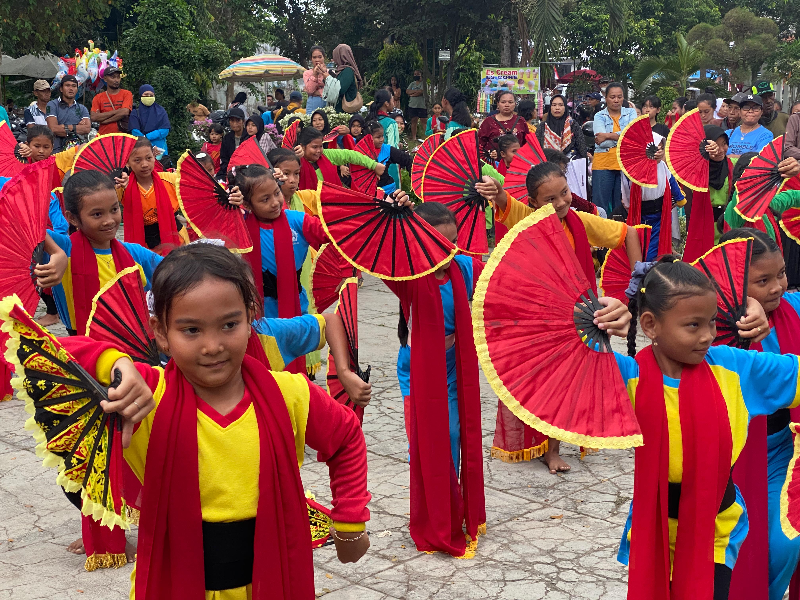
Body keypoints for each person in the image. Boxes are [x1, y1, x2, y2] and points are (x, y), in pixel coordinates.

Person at [39, 241, 372, 599]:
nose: (212, 346)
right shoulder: (148, 395)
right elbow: (35, 348)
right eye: (191, 330)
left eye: (229, 324)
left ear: (250, 319)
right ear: (161, 332)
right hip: (175, 584)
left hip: (272, 581)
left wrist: (350, 521)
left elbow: (347, 438)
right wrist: (114, 362)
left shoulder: (290, 393)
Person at [611, 257, 793, 600]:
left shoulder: (736, 368)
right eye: (693, 326)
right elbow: (562, 353)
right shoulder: (628, 377)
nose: (708, 335)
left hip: (716, 529)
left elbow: (793, 373)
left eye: (710, 322)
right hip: (654, 528)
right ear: (650, 324)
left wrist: (755, 305)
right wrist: (593, 315)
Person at [492, 162, 642, 473]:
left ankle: (555, 445)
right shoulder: (529, 219)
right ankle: (544, 446)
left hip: (578, 311)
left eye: (565, 193)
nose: (561, 203)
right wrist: (496, 192)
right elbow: (506, 203)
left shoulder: (578, 221)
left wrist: (639, 276)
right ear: (534, 203)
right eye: (550, 199)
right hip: (538, 313)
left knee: (568, 378)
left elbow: (627, 234)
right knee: (542, 378)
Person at [389, 198, 494, 557]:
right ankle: (435, 514)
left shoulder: (464, 267)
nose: (448, 252)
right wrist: (394, 216)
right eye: (439, 245)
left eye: (453, 243)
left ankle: (455, 509)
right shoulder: (408, 276)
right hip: (418, 365)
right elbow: (385, 256)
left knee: (456, 434)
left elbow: (502, 279)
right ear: (418, 243)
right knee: (427, 440)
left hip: (454, 362)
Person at [717, 228, 800, 600]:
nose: (776, 287)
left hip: (785, 450)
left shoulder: (794, 310)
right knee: (738, 553)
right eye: (762, 280)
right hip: (731, 460)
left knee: (787, 542)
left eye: (780, 274)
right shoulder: (711, 325)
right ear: (734, 279)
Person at [621, 135, 684, 260]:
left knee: (656, 243)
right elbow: (626, 187)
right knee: (640, 242)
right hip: (641, 213)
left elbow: (671, 181)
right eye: (656, 147)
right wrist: (628, 204)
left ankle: (651, 264)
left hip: (660, 213)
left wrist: (679, 197)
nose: (659, 150)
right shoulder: (635, 168)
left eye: (661, 146)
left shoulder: (662, 166)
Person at [121, 137, 188, 252]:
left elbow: (197, 189)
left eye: (148, 158)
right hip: (144, 244)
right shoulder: (122, 187)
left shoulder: (170, 179)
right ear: (127, 162)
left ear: (154, 156)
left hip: (176, 238)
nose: (144, 164)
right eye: (137, 160)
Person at [592, 82, 636, 214]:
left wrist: (607, 135)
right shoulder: (599, 116)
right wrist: (623, 137)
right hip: (603, 164)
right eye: (612, 97)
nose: (616, 100)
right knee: (600, 207)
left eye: (619, 97)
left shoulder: (631, 113)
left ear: (623, 98)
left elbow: (633, 136)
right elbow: (601, 142)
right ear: (605, 98)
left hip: (625, 164)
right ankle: (600, 234)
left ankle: (621, 234)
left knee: (622, 207)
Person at [294, 126, 383, 190]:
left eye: (320, 146)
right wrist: (296, 159)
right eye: (314, 147)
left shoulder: (326, 154)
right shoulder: (295, 161)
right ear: (302, 146)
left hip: (333, 204)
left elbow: (350, 155)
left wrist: (373, 165)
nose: (318, 151)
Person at [363, 120, 413, 194]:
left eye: (382, 136)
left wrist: (413, 178)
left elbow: (408, 159)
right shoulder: (360, 150)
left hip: (388, 191)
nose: (382, 139)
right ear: (368, 138)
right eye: (378, 137)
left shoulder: (387, 149)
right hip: (367, 192)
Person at [478, 90, 528, 161]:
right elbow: (479, 144)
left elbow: (526, 143)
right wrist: (489, 153)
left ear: (515, 104)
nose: (507, 105)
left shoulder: (521, 121)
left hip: (517, 163)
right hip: (493, 165)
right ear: (498, 104)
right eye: (503, 102)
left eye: (510, 102)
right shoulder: (489, 121)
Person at [46, 75, 91, 153]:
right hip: (57, 150)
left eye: (74, 86)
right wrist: (77, 127)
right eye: (67, 85)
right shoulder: (51, 105)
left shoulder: (82, 108)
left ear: (77, 89)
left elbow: (87, 129)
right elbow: (53, 129)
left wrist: (64, 127)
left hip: (78, 151)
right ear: (61, 89)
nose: (71, 89)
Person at [535, 94, 588, 159]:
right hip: (546, 165)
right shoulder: (543, 126)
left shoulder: (572, 125)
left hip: (568, 165)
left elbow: (582, 148)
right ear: (550, 107)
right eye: (554, 105)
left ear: (565, 107)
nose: (557, 108)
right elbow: (536, 149)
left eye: (560, 105)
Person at [368, 89, 401, 188]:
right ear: (386, 103)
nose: (393, 102)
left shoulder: (369, 120)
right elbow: (393, 148)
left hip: (371, 165)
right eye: (392, 100)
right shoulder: (391, 123)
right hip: (388, 167)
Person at [129, 85, 171, 160]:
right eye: (146, 95)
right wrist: (149, 145)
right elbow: (134, 131)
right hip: (142, 147)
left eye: (151, 95)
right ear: (141, 96)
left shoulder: (161, 111)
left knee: (162, 169)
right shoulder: (135, 113)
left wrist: (148, 136)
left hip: (160, 150)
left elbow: (165, 129)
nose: (149, 97)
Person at [90, 67, 133, 136]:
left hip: (122, 136)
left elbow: (124, 112)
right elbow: (94, 117)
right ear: (105, 79)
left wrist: (105, 120)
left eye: (118, 77)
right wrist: (118, 111)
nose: (116, 80)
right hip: (103, 136)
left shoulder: (127, 94)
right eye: (113, 77)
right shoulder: (98, 97)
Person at [216, 107, 249, 178]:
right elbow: (224, 158)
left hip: (246, 171)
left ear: (243, 121)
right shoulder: (227, 138)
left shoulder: (249, 137)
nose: (234, 124)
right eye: (232, 120)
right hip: (229, 170)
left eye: (237, 121)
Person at [331, 44, 362, 113]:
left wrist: (327, 77)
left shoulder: (348, 71)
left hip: (346, 113)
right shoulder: (342, 71)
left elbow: (339, 90)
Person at [303, 45, 328, 112]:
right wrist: (315, 74)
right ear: (311, 59)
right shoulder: (307, 73)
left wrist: (318, 92)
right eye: (314, 57)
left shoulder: (330, 72)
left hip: (328, 104)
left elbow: (331, 90)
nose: (317, 60)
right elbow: (310, 90)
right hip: (312, 104)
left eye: (320, 57)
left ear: (324, 57)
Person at [406, 70, 426, 139]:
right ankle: (414, 138)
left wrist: (412, 95)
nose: (416, 75)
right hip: (412, 105)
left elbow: (421, 92)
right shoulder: (412, 84)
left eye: (417, 74)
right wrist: (415, 91)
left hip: (421, 105)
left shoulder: (424, 84)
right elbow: (407, 91)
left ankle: (426, 137)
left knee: (424, 121)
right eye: (415, 74)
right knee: (413, 120)